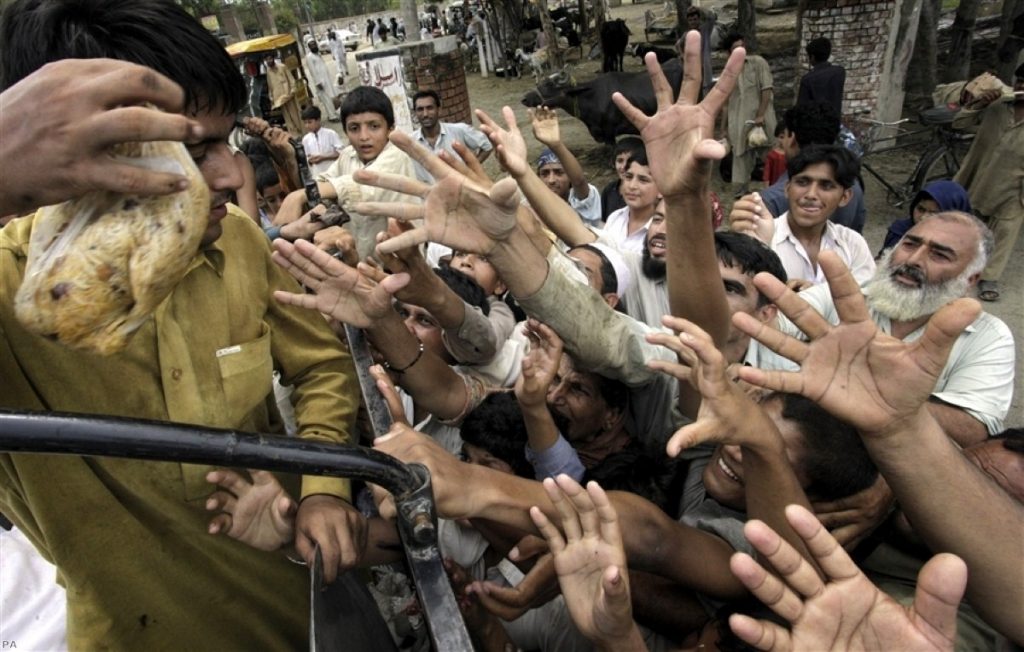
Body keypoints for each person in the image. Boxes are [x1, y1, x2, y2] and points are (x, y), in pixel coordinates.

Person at [0, 1, 363, 648]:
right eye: (193, 154)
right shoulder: (9, 292)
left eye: (225, 142)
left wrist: (324, 488)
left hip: (297, 614)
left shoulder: (243, 244)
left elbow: (320, 370)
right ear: (73, 161)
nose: (231, 174)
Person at [274, 85, 416, 258]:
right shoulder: (348, 155)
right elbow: (324, 181)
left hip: (403, 264)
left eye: (374, 126)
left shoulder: (397, 156)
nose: (364, 136)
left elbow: (361, 187)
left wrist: (298, 195)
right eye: (354, 128)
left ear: (390, 129)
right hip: (364, 262)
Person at [730, 144, 875, 287]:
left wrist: (814, 297)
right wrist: (749, 247)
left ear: (845, 197)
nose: (811, 194)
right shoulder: (762, 238)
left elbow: (866, 301)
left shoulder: (853, 244)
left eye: (826, 186)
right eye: (802, 182)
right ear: (787, 189)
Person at [952, 59, 1024, 302]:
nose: (1021, 87)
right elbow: (959, 123)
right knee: (971, 225)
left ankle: (989, 277)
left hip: (1014, 186)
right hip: (980, 175)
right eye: (1020, 82)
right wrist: (978, 104)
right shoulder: (997, 105)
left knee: (1004, 230)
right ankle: (960, 265)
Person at [743, 101, 868, 232]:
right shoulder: (852, 184)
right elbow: (857, 225)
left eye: (783, 135)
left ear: (792, 138)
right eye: (803, 182)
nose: (811, 194)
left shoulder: (769, 201)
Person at [721, 32, 776, 197]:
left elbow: (766, 89)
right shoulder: (728, 72)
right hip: (738, 121)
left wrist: (760, 115)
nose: (741, 51)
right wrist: (723, 128)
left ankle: (776, 188)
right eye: (736, 49)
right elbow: (725, 103)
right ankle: (740, 191)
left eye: (742, 47)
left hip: (762, 119)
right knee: (740, 156)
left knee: (769, 153)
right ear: (729, 53)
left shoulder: (758, 63)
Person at [531, 107, 603, 227]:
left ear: (570, 176)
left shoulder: (583, 203)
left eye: (559, 172)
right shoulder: (534, 207)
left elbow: (579, 181)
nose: (551, 180)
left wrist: (556, 145)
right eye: (545, 173)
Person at [410, 89, 493, 183]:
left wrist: (471, 169)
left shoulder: (459, 130)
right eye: (420, 109)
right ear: (415, 113)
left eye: (430, 108)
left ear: (439, 110)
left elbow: (487, 145)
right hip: (431, 195)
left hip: (461, 192)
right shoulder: (410, 142)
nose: (425, 114)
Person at [880, 180, 972, 256]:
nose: (924, 217)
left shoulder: (962, 248)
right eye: (921, 209)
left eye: (934, 214)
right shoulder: (899, 232)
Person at [599, 136, 645, 221]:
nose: (623, 166)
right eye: (620, 161)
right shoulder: (609, 190)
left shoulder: (645, 192)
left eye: (629, 161)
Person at [797, 36, 846, 115]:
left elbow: (801, 108)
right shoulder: (840, 72)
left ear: (812, 57)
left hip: (815, 123)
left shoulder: (807, 79)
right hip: (834, 121)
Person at [263, 51, 303, 135]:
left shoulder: (282, 67)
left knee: (295, 115)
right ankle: (295, 135)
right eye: (267, 60)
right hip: (279, 99)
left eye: (270, 59)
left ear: (273, 58)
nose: (269, 61)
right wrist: (272, 98)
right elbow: (270, 86)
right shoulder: (268, 72)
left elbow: (291, 79)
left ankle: (302, 132)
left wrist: (292, 90)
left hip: (289, 95)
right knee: (287, 118)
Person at [301, 105, 343, 175]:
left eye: (310, 122)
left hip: (333, 173)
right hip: (317, 174)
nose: (307, 126)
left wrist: (324, 157)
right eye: (305, 123)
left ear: (318, 120)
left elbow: (342, 153)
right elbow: (307, 158)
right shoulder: (306, 139)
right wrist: (311, 160)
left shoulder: (330, 133)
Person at [304, 40, 339, 122]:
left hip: (326, 80)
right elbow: (312, 71)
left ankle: (333, 113)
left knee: (329, 98)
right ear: (309, 47)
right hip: (320, 82)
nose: (313, 46)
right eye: (311, 45)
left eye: (314, 44)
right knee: (326, 99)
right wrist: (317, 82)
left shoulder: (318, 54)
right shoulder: (309, 57)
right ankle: (332, 117)